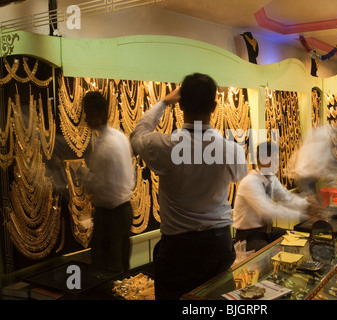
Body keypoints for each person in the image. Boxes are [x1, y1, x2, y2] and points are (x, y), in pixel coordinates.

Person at [130, 73, 248, 300]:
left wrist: (164, 102)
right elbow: (239, 174)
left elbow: (137, 134)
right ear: (214, 107)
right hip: (218, 244)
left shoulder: (163, 146)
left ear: (181, 104)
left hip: (178, 249)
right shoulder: (232, 151)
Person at [81, 91, 135, 273]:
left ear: (99, 115)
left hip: (111, 215)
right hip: (124, 210)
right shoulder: (119, 137)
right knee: (120, 261)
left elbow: (97, 184)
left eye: (88, 114)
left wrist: (80, 173)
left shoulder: (105, 146)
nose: (86, 119)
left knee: (107, 266)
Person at [232, 141, 311, 252]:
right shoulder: (250, 182)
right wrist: (304, 215)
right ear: (260, 159)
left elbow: (287, 198)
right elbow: (268, 210)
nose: (275, 162)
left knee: (296, 237)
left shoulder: (271, 179)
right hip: (248, 236)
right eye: (272, 158)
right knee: (270, 252)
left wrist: (308, 205)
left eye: (276, 158)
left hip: (266, 231)